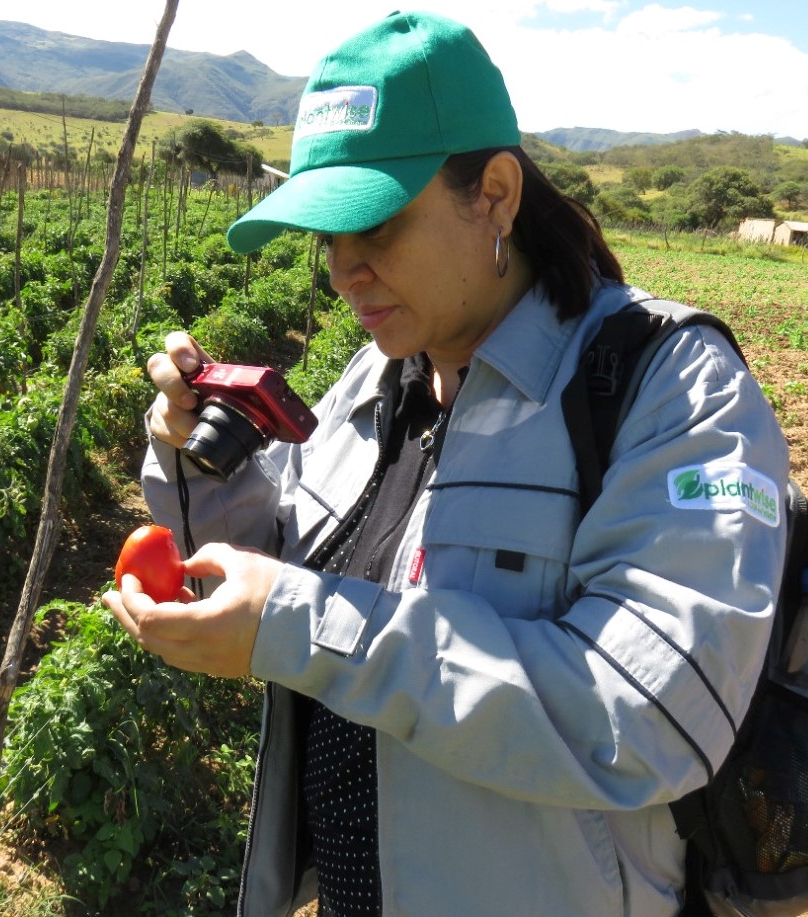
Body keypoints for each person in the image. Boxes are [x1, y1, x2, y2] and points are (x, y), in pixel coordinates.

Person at [102, 11, 790, 916]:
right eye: (328, 237)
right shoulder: (377, 374)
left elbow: (645, 714)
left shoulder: (670, 390)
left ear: (496, 194)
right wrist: (201, 469)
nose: (346, 270)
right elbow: (294, 561)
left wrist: (303, 627)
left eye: (377, 225)